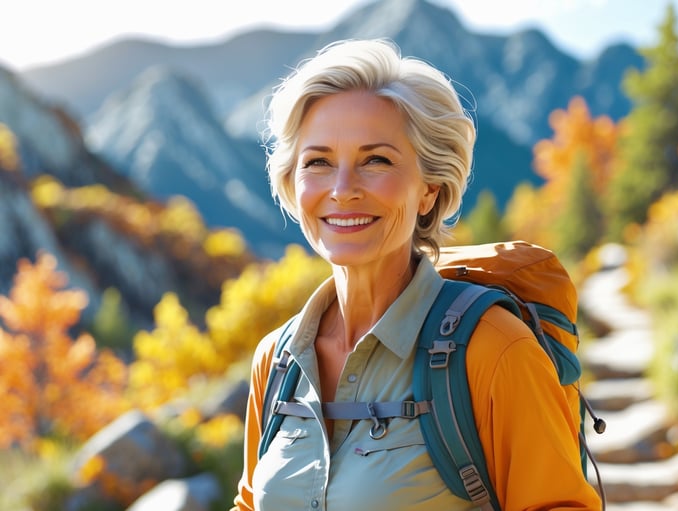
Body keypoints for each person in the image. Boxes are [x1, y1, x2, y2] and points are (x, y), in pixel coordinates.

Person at [231, 38, 602, 511]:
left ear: (429, 190)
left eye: (376, 160)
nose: (342, 190)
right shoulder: (277, 362)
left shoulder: (492, 350)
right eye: (318, 162)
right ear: (291, 183)